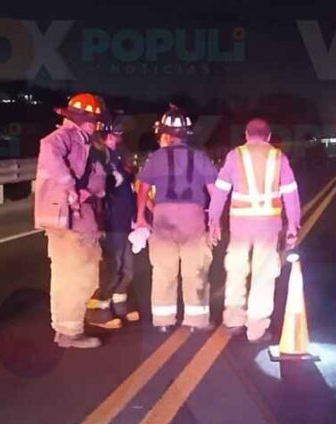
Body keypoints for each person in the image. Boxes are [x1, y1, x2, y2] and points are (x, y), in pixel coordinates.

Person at [208, 118, 301, 343]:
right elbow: (290, 194)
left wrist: (213, 220)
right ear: (268, 136)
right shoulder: (278, 157)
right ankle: (256, 329)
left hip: (239, 224)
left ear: (247, 135)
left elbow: (220, 190)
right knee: (263, 274)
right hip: (268, 225)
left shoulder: (234, 155)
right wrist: (293, 225)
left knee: (237, 270)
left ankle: (233, 320)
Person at [32, 93, 110, 349]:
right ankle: (69, 330)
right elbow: (50, 155)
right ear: (80, 120)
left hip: (80, 217)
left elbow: (99, 180)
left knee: (71, 274)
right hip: (67, 219)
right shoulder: (61, 139)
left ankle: (65, 327)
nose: (95, 125)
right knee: (77, 275)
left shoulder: (89, 144)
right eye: (92, 120)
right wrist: (70, 187)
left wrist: (87, 191)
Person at [135, 105, 218, 333]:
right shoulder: (199, 157)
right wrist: (215, 220)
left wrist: (141, 217)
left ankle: (163, 321)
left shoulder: (156, 157)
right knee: (196, 270)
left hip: (163, 218)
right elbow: (214, 192)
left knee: (163, 271)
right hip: (193, 217)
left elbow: (142, 188)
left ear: (165, 133)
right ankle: (196, 321)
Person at [86, 121, 142, 329]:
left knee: (128, 269)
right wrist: (109, 180)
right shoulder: (97, 157)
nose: (115, 140)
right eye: (111, 137)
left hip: (125, 220)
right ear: (102, 136)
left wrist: (136, 216)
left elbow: (129, 189)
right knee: (113, 267)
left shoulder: (117, 157)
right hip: (111, 221)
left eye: (117, 136)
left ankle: (119, 305)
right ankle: (97, 311)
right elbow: (96, 188)